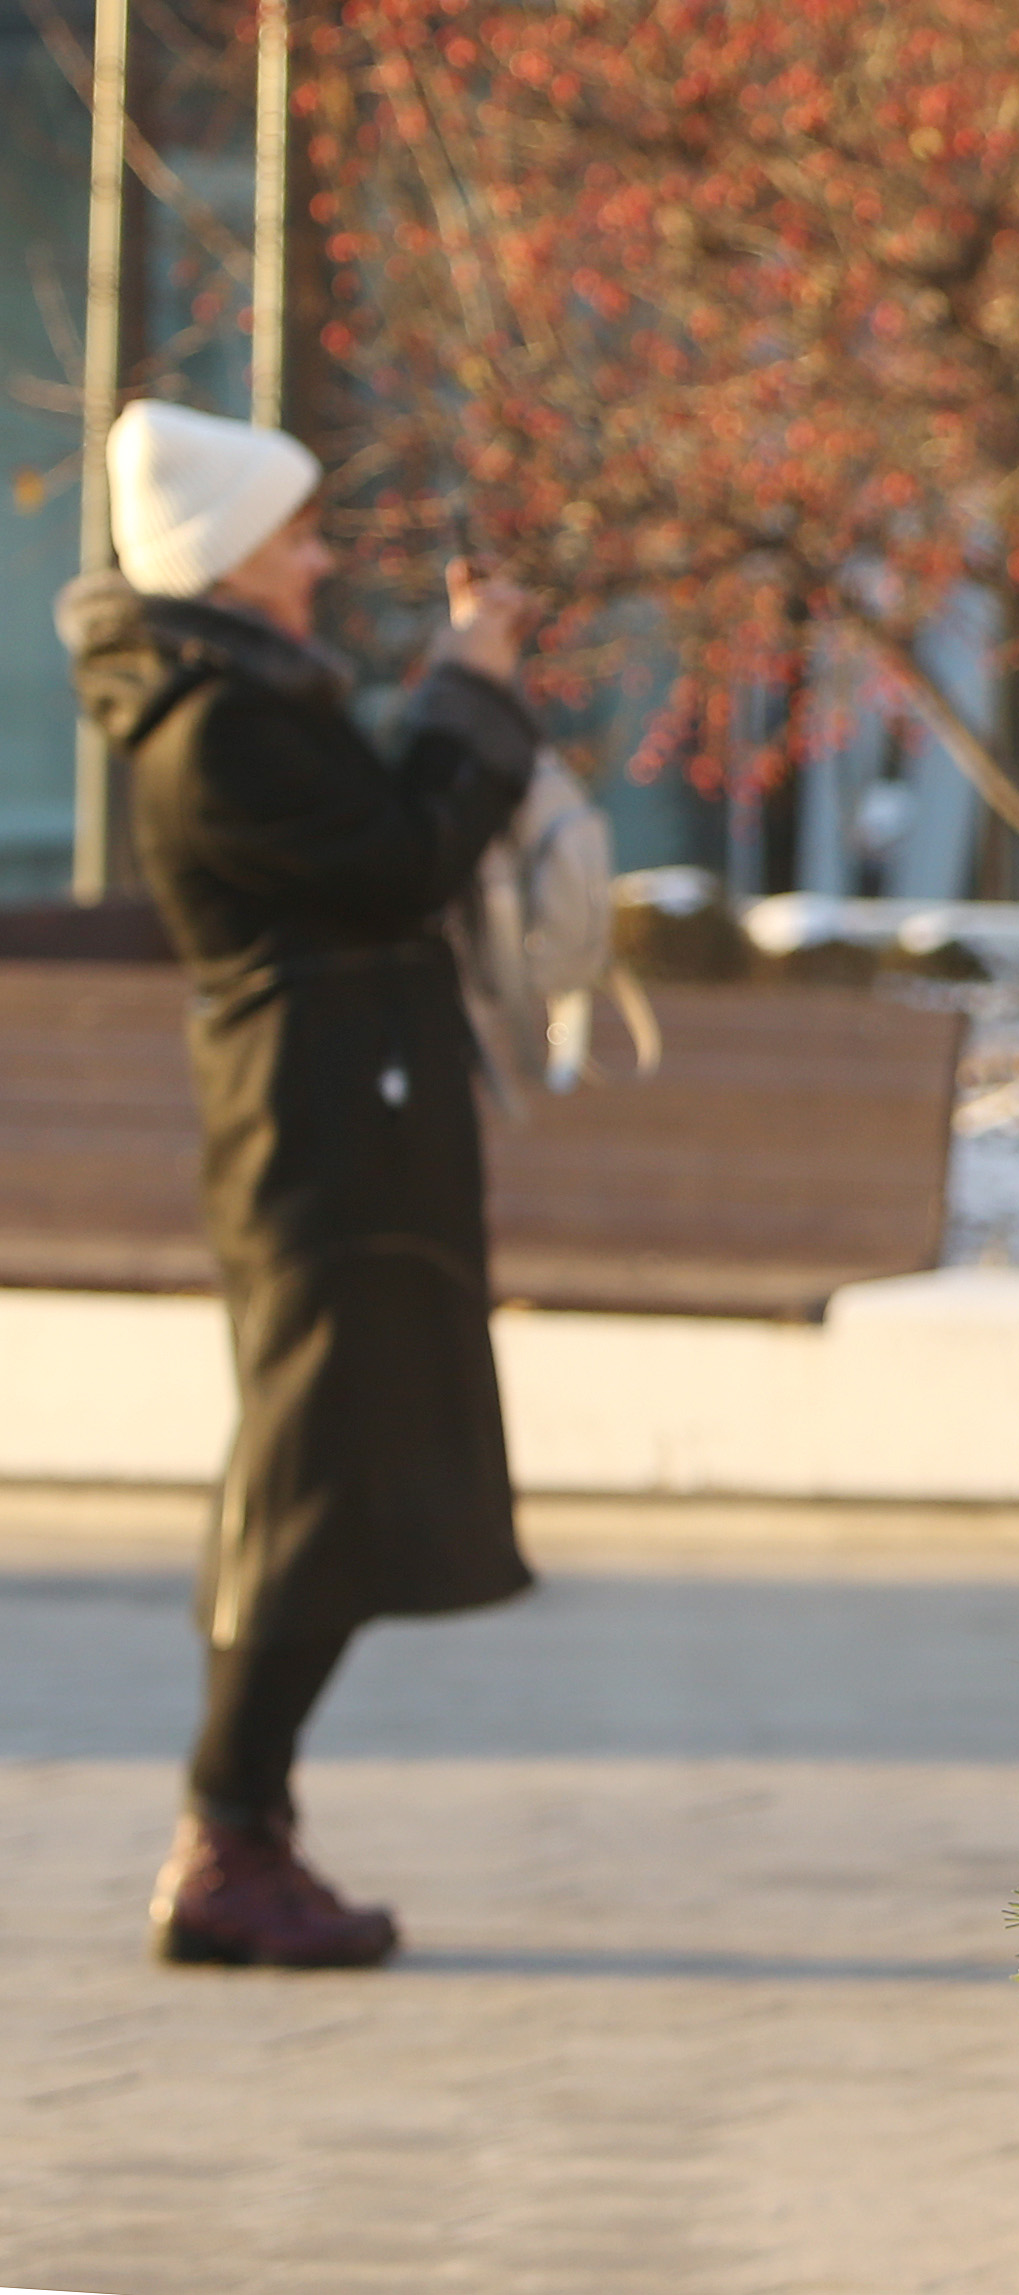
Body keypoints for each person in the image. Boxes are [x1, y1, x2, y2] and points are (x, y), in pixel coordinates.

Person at [57, 397, 544, 1968]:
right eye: (297, 534)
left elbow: (382, 847)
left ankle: (242, 1837)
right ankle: (227, 1839)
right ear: (224, 557)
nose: (322, 558)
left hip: (345, 1123)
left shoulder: (242, 700)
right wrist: (472, 689)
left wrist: (461, 693)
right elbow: (402, 858)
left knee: (324, 1482)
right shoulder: (216, 728)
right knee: (308, 1490)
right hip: (320, 1135)